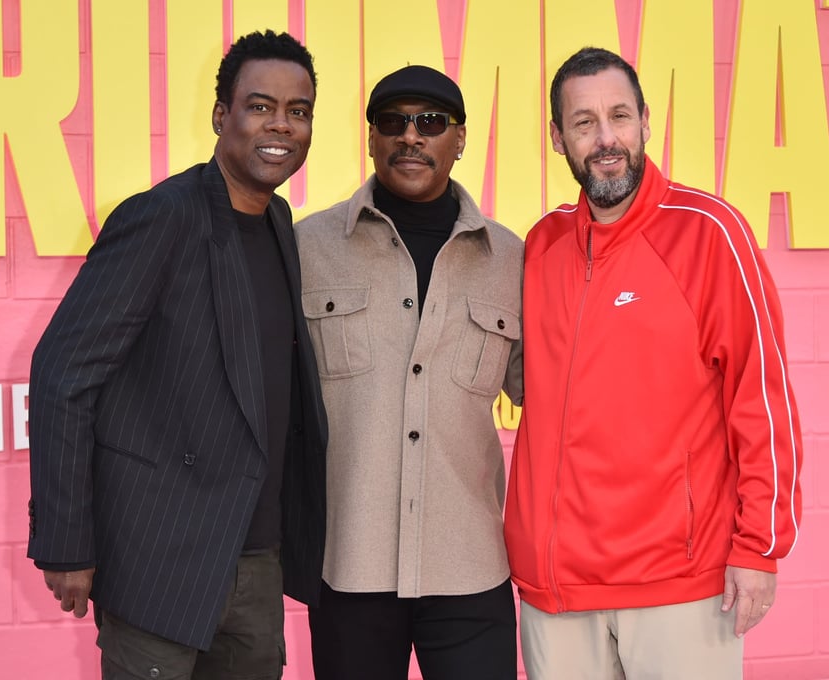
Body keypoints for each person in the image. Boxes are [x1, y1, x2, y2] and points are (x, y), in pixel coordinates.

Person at [27, 29, 327, 680]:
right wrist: (67, 542)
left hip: (256, 558)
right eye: (260, 106)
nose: (281, 125)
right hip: (160, 560)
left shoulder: (280, 224)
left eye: (297, 111)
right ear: (221, 116)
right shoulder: (162, 217)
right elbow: (61, 375)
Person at [504, 46, 803, 679]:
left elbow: (762, 398)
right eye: (583, 122)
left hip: (679, 585)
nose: (605, 139)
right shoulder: (541, 245)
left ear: (645, 121)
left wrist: (759, 547)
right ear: (557, 138)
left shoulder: (709, 232)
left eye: (619, 116)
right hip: (558, 594)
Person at [294, 65, 523, 680]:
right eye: (393, 122)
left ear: (460, 138)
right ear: (371, 138)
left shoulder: (512, 259)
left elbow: (550, 392)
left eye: (431, 122)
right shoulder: (307, 247)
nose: (411, 136)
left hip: (470, 568)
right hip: (350, 567)